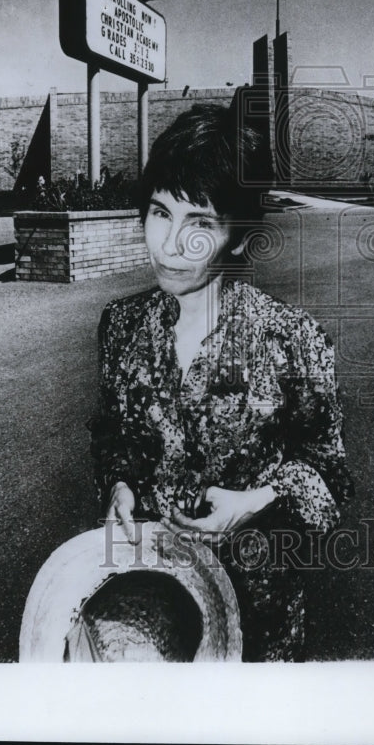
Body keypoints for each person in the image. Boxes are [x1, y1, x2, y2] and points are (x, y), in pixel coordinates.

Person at [89, 104, 353, 661]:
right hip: (152, 618)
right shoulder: (121, 328)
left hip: (256, 622)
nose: (169, 245)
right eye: (160, 213)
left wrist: (256, 500)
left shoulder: (291, 340)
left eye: (200, 224)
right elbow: (112, 436)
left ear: (237, 236)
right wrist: (118, 486)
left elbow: (331, 480)